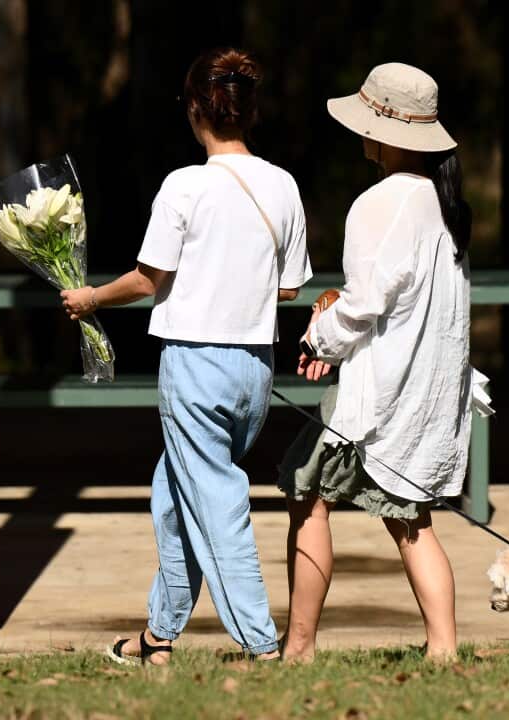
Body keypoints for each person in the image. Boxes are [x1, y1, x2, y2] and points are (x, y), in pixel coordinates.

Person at [61, 47, 312, 665]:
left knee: (217, 502)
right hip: (254, 369)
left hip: (196, 366)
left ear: (197, 109)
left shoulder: (184, 185)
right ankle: (158, 638)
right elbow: (290, 286)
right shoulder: (282, 185)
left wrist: (90, 299)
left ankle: (260, 646)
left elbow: (150, 279)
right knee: (174, 496)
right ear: (248, 111)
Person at [280, 62, 473, 663]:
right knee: (411, 522)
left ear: (385, 133)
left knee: (306, 493)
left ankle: (300, 648)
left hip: (377, 392)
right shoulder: (446, 204)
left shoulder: (379, 203)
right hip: (423, 390)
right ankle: (444, 650)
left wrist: (319, 340)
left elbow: (368, 301)